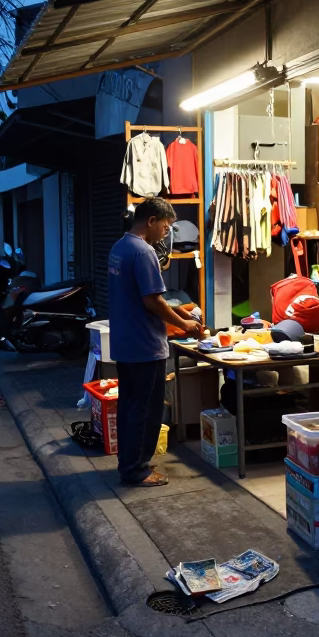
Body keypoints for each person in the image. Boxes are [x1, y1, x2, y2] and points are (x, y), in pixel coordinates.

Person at [108, 198, 205, 487]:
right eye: (165, 226)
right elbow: (153, 300)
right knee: (145, 410)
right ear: (151, 221)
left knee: (129, 406)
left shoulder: (119, 247)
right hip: (145, 345)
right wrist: (184, 323)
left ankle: (128, 464)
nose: (166, 233)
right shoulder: (143, 251)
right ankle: (136, 471)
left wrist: (178, 314)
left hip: (126, 342)